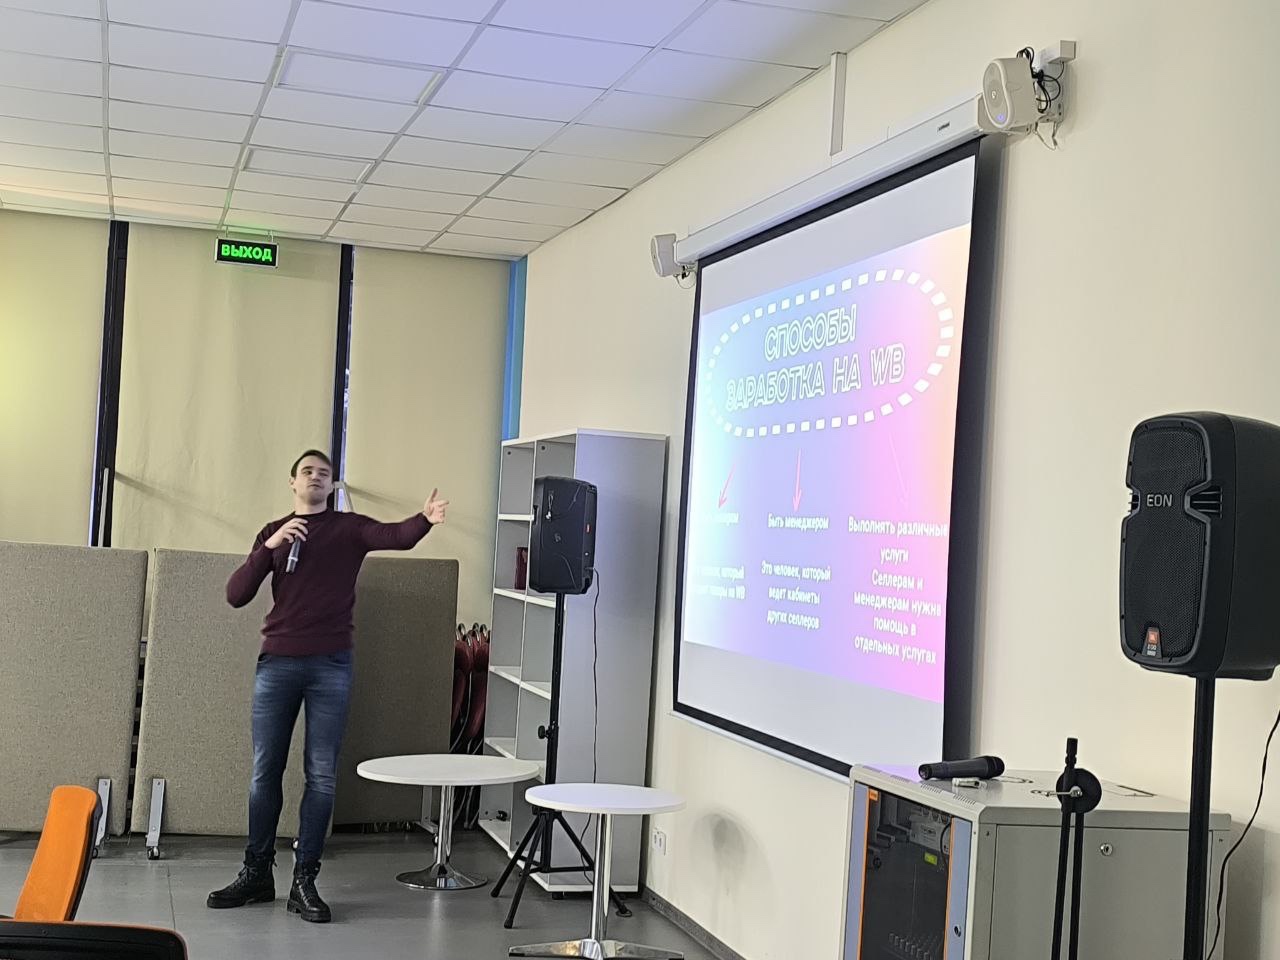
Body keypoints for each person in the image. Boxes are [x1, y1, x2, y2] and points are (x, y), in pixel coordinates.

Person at [206, 450, 448, 923]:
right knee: (264, 772)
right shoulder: (275, 532)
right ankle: (256, 873)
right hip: (277, 663)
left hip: (330, 666)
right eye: (307, 472)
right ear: (292, 482)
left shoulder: (347, 528)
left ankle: (304, 880)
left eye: (324, 473)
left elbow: (394, 536)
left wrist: (424, 519)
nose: (316, 477)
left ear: (332, 485)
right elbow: (236, 594)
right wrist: (269, 547)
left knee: (321, 775)